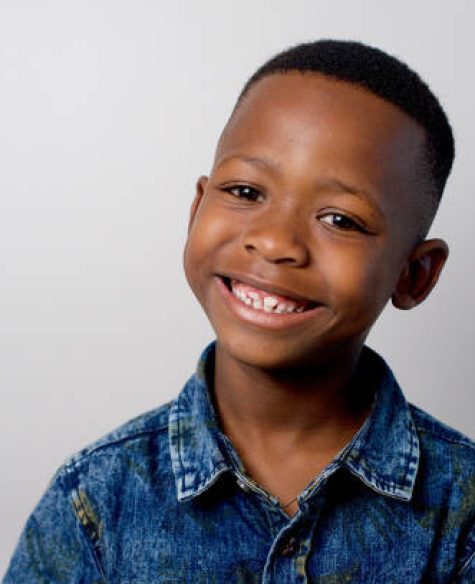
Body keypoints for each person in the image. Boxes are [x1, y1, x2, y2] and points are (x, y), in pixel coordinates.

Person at [3, 39, 474, 583]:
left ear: (414, 275)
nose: (275, 242)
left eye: (340, 220)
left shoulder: (461, 515)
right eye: (246, 191)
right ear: (197, 207)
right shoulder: (95, 504)